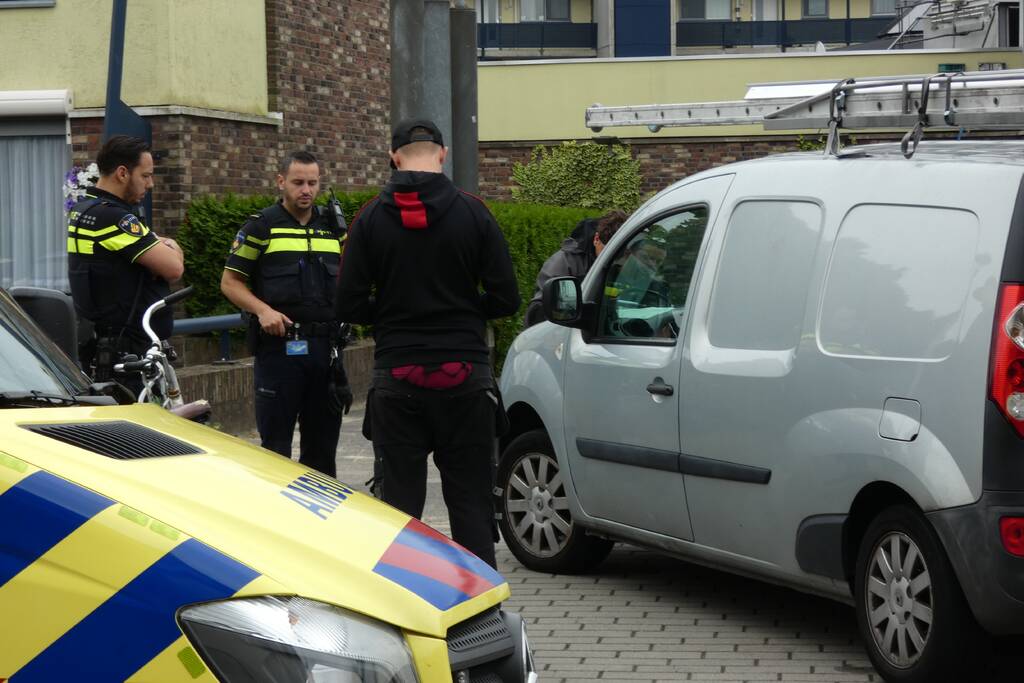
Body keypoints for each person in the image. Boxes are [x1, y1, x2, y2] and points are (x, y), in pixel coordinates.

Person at [335, 119, 520, 568]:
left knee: (399, 514)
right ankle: (483, 617)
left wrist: (394, 313)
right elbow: (506, 298)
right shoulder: (473, 212)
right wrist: (464, 308)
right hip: (464, 378)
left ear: (394, 157)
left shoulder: (370, 218)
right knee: (472, 506)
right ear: (443, 153)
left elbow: (348, 302)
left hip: (399, 379)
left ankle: (408, 619)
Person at [220, 150, 352, 478]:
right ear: (281, 182)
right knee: (275, 453)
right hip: (280, 353)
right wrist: (263, 310)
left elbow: (353, 279)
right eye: (297, 182)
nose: (305, 190)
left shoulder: (333, 228)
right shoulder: (260, 227)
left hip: (326, 353)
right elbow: (230, 282)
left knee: (322, 452)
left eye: (312, 182)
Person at [68, 135, 185, 393]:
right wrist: (172, 245)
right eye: (145, 176)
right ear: (122, 173)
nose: (150, 183)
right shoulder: (113, 218)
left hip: (106, 349)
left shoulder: (85, 210)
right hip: (128, 356)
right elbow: (174, 268)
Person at [523, 210, 627, 327]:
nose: (614, 260)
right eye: (608, 253)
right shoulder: (564, 263)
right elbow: (539, 310)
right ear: (596, 239)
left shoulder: (627, 262)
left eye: (621, 255)